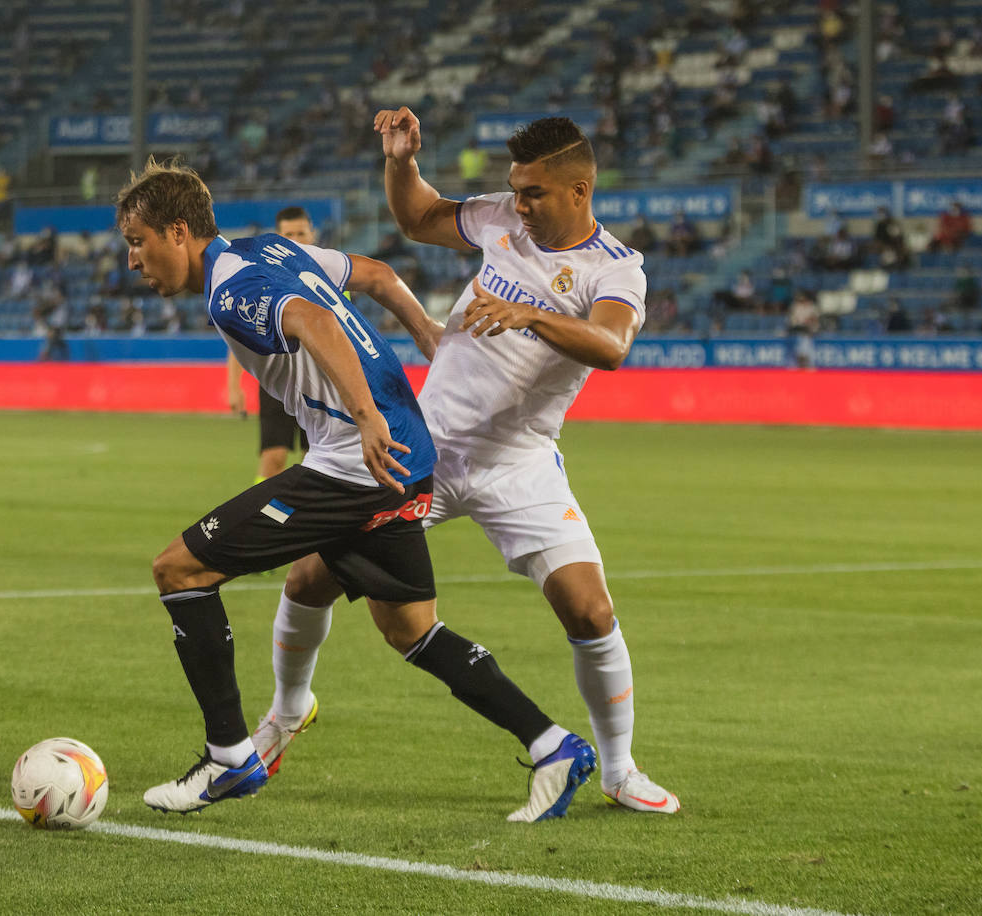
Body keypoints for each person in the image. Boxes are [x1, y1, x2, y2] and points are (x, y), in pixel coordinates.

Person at [118, 158, 596, 820]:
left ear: (178, 232)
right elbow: (374, 275)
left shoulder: (233, 288)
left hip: (358, 461)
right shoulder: (269, 248)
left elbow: (314, 321)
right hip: (406, 450)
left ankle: (229, 757)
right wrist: (423, 329)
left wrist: (366, 416)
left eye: (138, 243)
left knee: (179, 568)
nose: (134, 261)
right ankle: (553, 745)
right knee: (407, 627)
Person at [249, 110, 681, 815]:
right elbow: (419, 216)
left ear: (580, 191)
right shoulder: (499, 220)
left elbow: (611, 348)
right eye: (515, 189)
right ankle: (285, 712)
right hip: (431, 445)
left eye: (535, 192)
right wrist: (400, 162)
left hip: (521, 463)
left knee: (591, 610)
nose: (520, 204)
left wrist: (531, 315)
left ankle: (620, 769)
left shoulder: (616, 269)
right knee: (307, 578)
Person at [226, 206, 318, 482]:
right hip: (276, 379)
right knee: (273, 457)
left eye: (301, 233)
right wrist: (234, 386)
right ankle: (262, 518)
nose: (296, 240)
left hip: (319, 382)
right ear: (278, 237)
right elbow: (240, 334)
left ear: (312, 234)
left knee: (314, 460)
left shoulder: (332, 276)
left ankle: (309, 521)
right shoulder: (260, 278)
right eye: (289, 234)